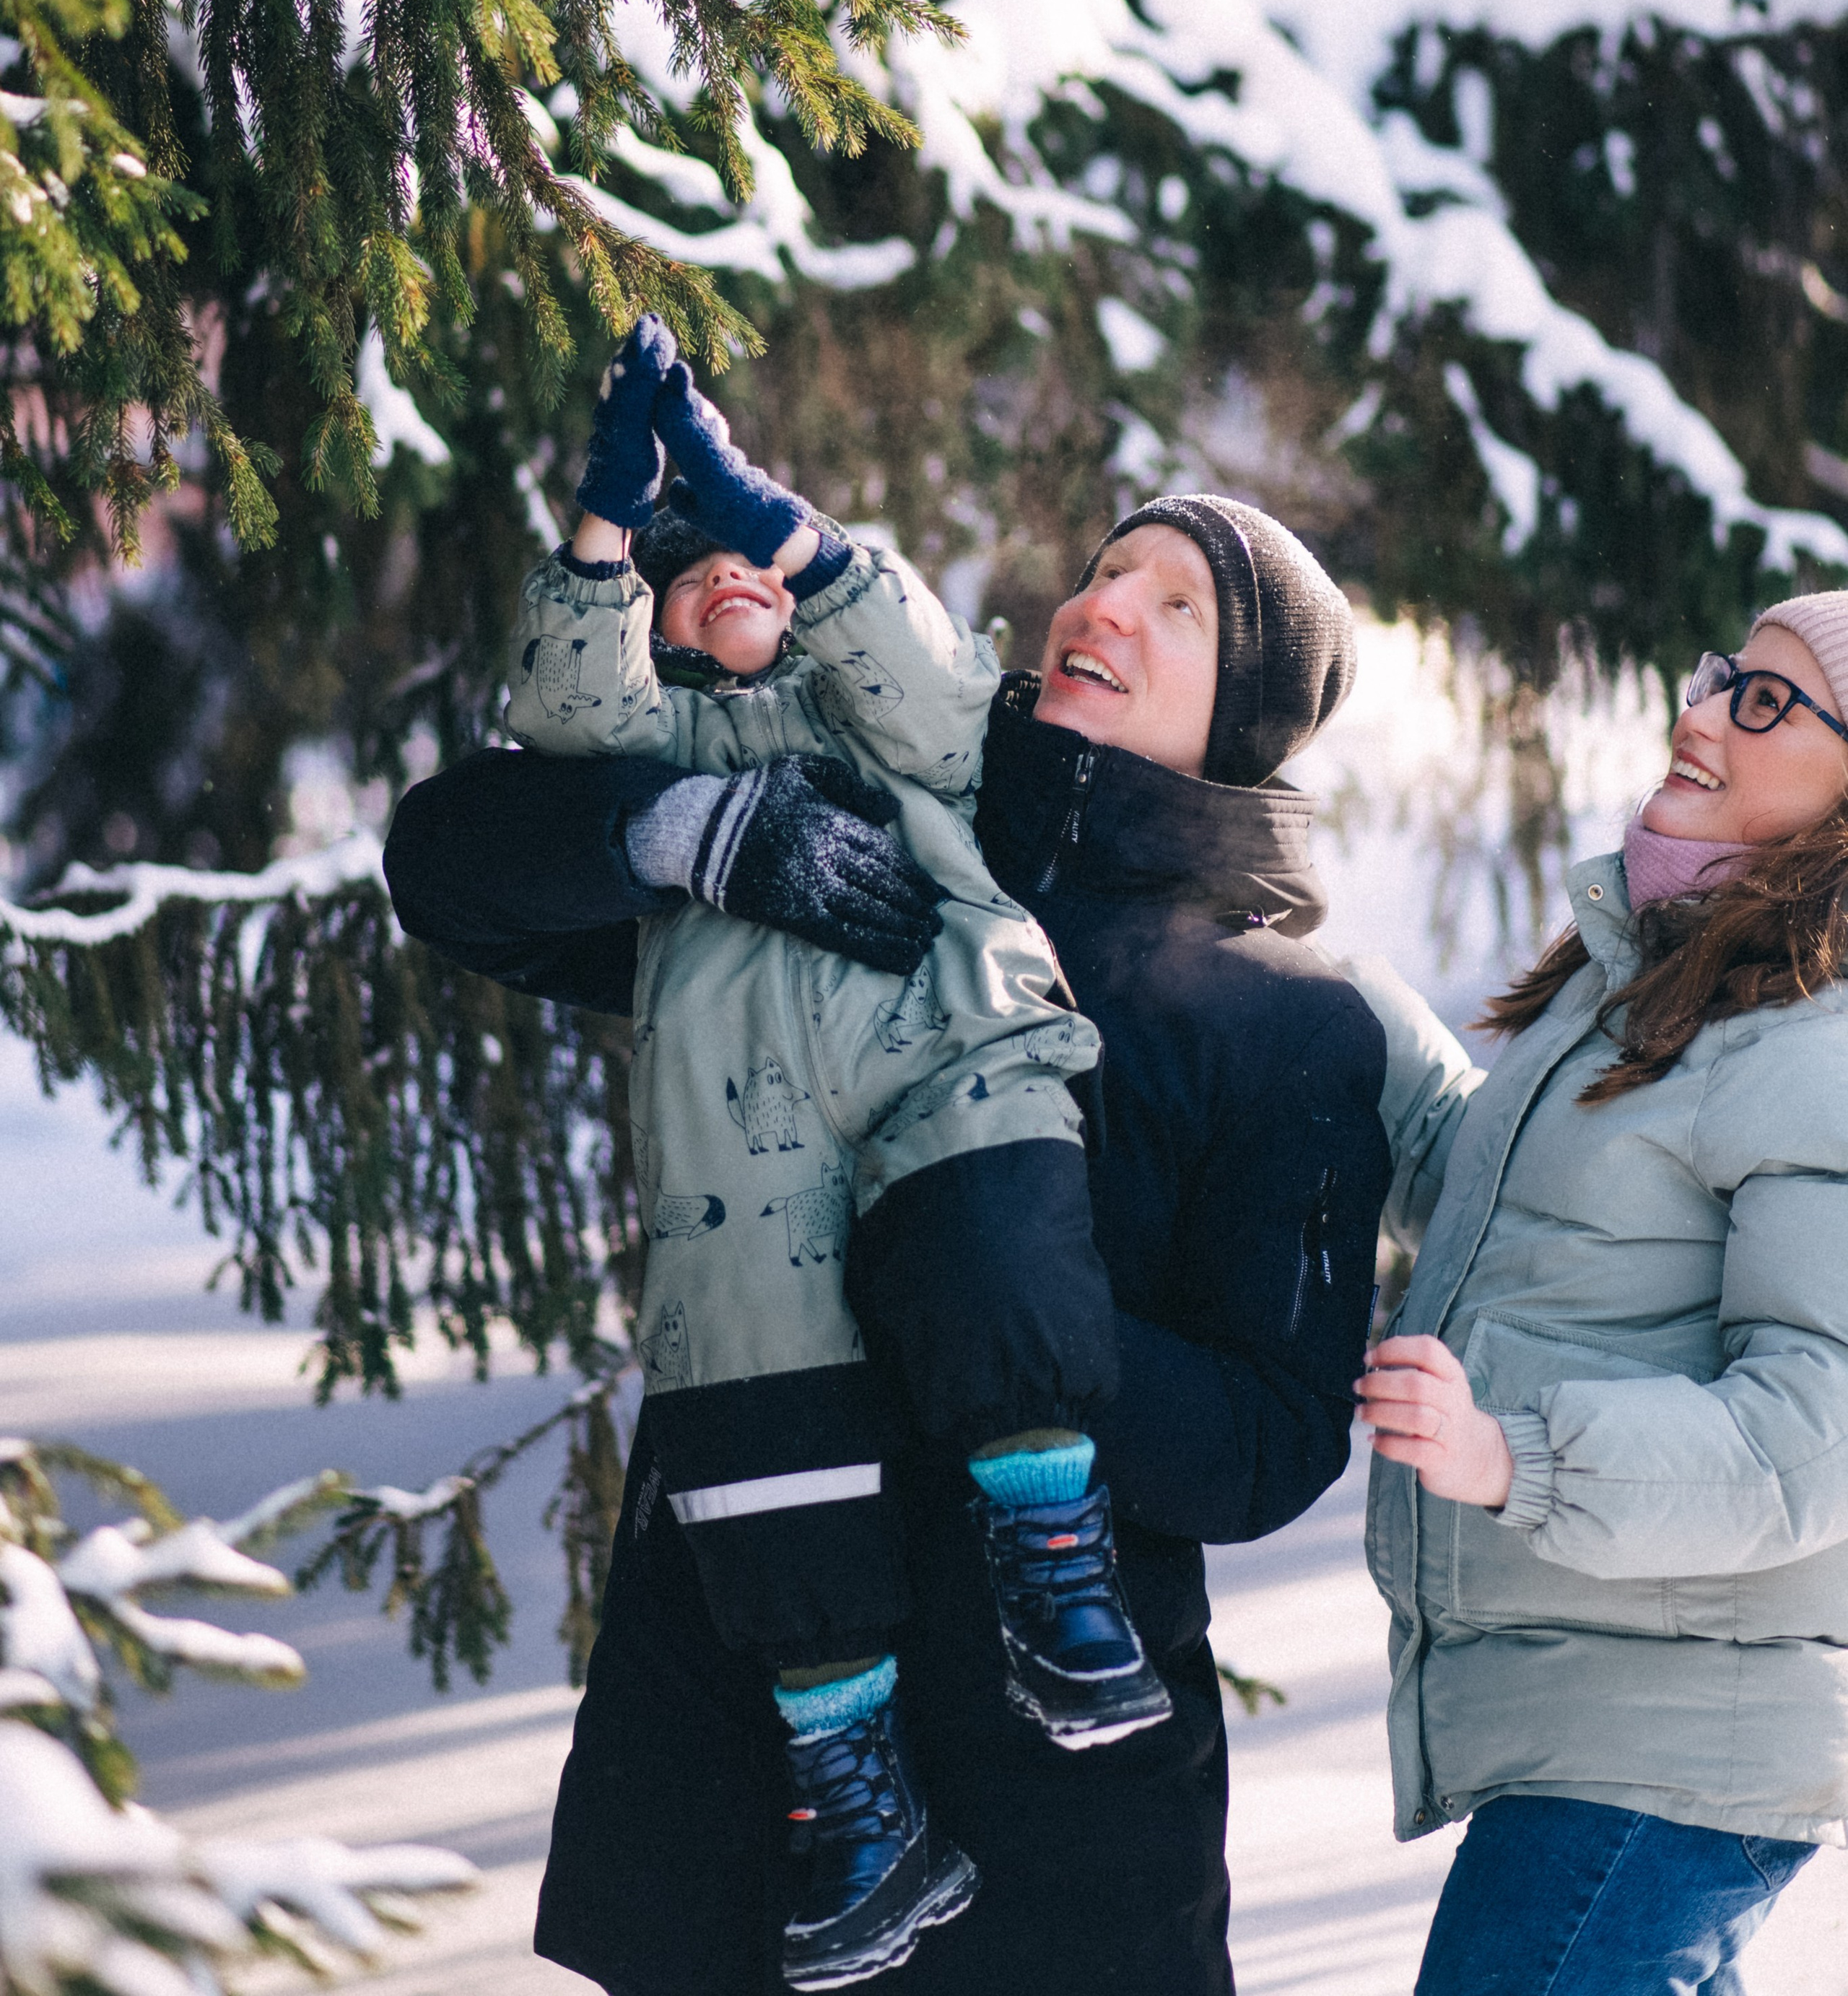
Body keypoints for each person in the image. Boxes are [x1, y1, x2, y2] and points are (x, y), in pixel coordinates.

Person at [385, 483, 1392, 1995]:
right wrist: (680, 831)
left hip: (1045, 1807)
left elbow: (1266, 1443)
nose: (1099, 604)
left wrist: (997, 1296)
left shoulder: (1278, 1018)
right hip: (734, 1748)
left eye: (1175, 604)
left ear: (1240, 716)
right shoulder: (850, 810)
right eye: (1105, 568)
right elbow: (452, 865)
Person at [505, 321, 1167, 1990]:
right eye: (691, 568)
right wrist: (601, 535)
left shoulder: (883, 722)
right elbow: (561, 726)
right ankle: (849, 1790)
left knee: (1004, 1243)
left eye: (754, 563)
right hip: (741, 1136)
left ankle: (1048, 1551)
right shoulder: (648, 758)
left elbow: (947, 704)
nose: (727, 578)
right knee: (754, 1407)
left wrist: (782, 520)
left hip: (948, 1041)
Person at [1354, 593, 1848, 1996]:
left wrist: (1513, 1450)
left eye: (1764, 704)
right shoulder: (1660, 984)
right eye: (1717, 680)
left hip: (1673, 1738)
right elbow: (1511, 1200)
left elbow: (1809, 1435)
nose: (1695, 715)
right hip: (1609, 1716)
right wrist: (1334, 997)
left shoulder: (1820, 1047)